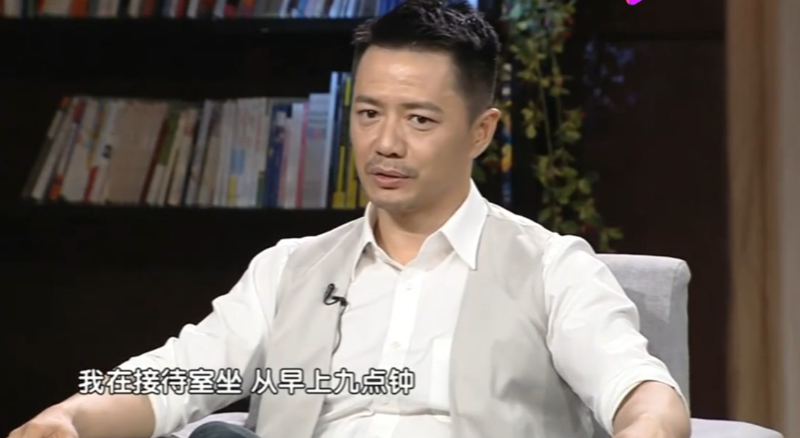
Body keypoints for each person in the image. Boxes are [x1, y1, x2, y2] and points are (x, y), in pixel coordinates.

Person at [7, 1, 691, 437]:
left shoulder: (550, 267)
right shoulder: (289, 269)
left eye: (419, 120)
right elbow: (174, 380)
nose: (384, 144)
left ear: (481, 132)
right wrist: (69, 420)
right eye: (368, 114)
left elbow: (644, 397)